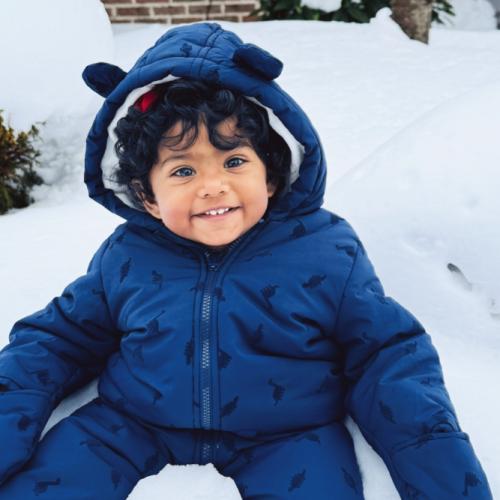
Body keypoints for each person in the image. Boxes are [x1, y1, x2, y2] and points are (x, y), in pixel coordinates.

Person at [0, 22, 492, 499]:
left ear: (271, 175)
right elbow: (58, 339)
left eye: (234, 161)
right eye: (183, 170)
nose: (213, 186)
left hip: (290, 432)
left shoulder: (325, 251)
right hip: (133, 420)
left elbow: (386, 356)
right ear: (147, 195)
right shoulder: (127, 254)